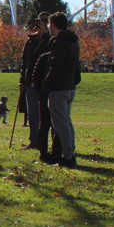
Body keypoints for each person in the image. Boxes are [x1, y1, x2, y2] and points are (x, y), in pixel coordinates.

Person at [42, 12, 81, 168]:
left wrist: (46, 83)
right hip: (69, 86)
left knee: (61, 125)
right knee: (67, 122)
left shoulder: (59, 42)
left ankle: (68, 157)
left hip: (58, 88)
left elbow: (55, 66)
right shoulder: (73, 42)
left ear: (53, 24)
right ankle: (70, 152)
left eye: (49, 24)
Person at [18, 13, 51, 149]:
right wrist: (22, 80)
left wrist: (46, 36)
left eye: (45, 20)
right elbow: (25, 62)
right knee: (32, 114)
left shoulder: (51, 40)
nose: (42, 23)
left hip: (44, 82)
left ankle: (50, 142)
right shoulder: (31, 40)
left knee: (47, 114)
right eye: (40, 21)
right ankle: (34, 141)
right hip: (30, 82)